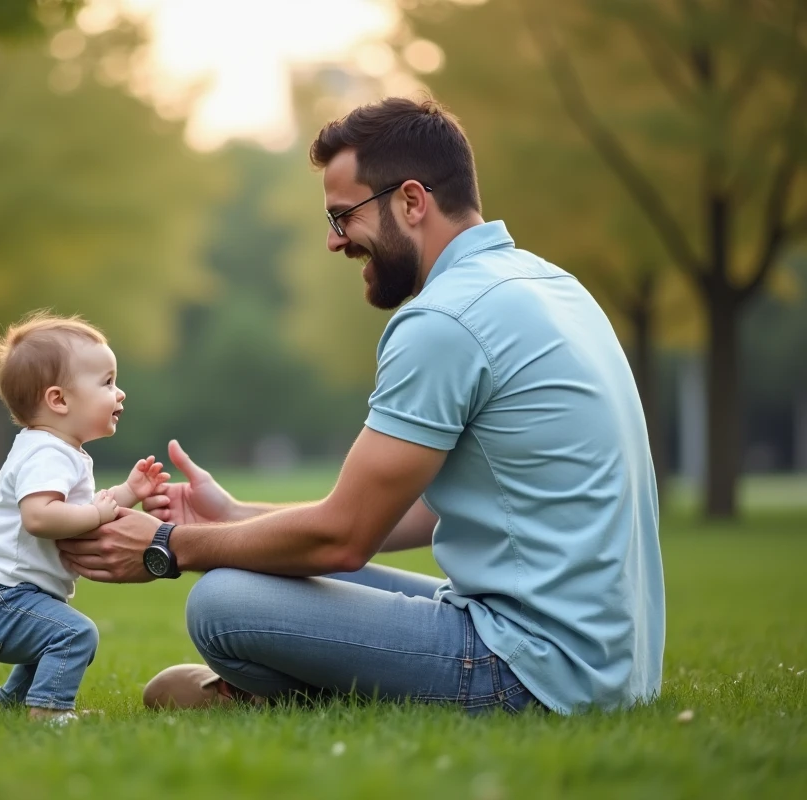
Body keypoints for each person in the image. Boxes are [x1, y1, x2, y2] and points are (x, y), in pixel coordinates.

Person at [56, 96, 665, 716]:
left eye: (343, 217)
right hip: (617, 666)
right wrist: (234, 516)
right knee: (253, 573)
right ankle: (306, 690)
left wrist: (165, 546)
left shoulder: (445, 319)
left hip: (532, 668)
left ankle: (289, 698)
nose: (332, 240)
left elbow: (344, 538)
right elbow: (434, 509)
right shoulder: (550, 286)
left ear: (410, 200)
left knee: (222, 604)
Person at [0, 311, 169, 723]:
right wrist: (98, 511)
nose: (119, 394)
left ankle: (14, 702)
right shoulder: (47, 453)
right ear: (59, 400)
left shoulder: (57, 451)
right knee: (74, 633)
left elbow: (83, 509)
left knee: (53, 632)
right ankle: (48, 713)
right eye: (107, 382)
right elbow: (39, 517)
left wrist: (128, 493)